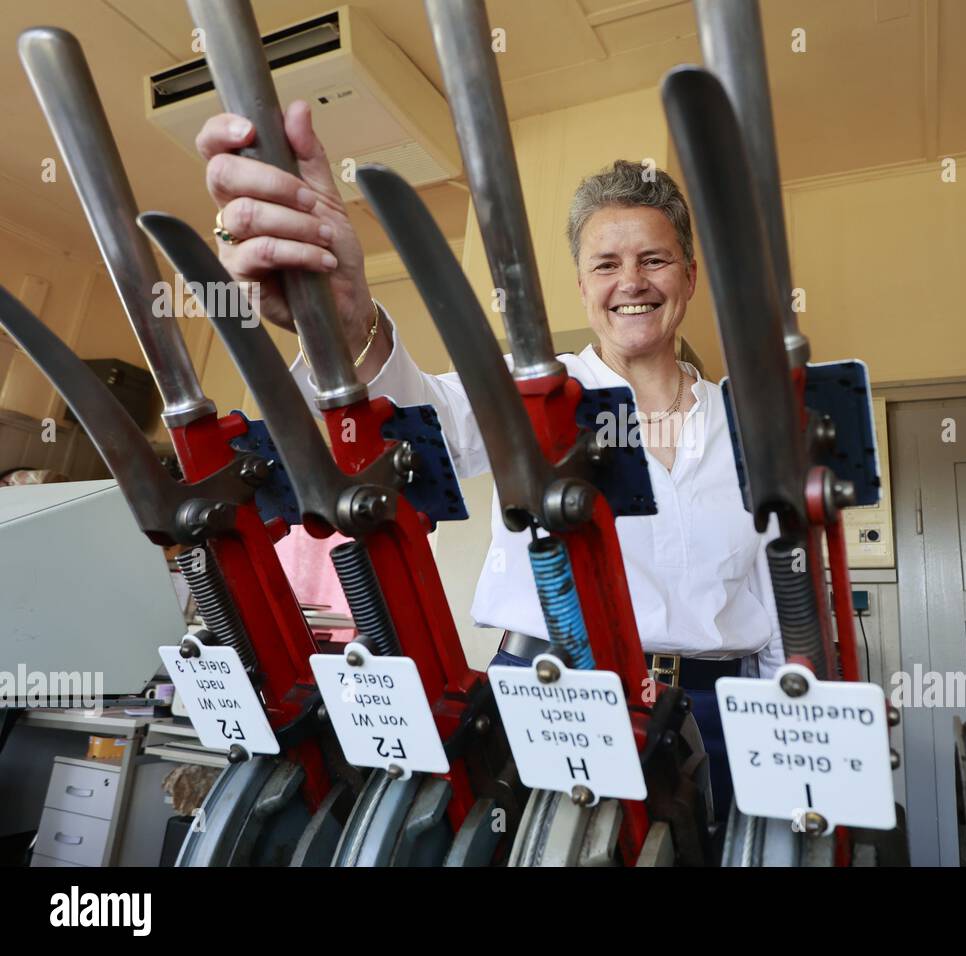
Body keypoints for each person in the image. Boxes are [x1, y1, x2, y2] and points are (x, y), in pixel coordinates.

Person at [196, 102, 785, 820]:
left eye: (653, 260)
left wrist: (794, 727)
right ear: (582, 286)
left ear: (689, 278)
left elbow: (780, 597)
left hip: (715, 707)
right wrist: (348, 326)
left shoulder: (748, 422)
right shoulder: (528, 395)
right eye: (607, 264)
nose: (631, 281)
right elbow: (414, 425)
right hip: (548, 693)